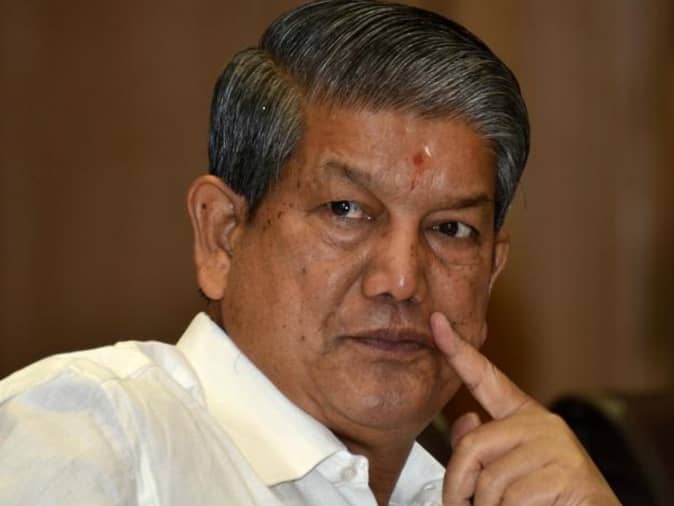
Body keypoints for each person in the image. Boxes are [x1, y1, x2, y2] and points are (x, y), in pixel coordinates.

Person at [0, 1, 619, 505]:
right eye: (345, 210)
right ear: (222, 235)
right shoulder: (92, 436)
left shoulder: (480, 494)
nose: (401, 280)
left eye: (451, 229)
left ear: (491, 273)